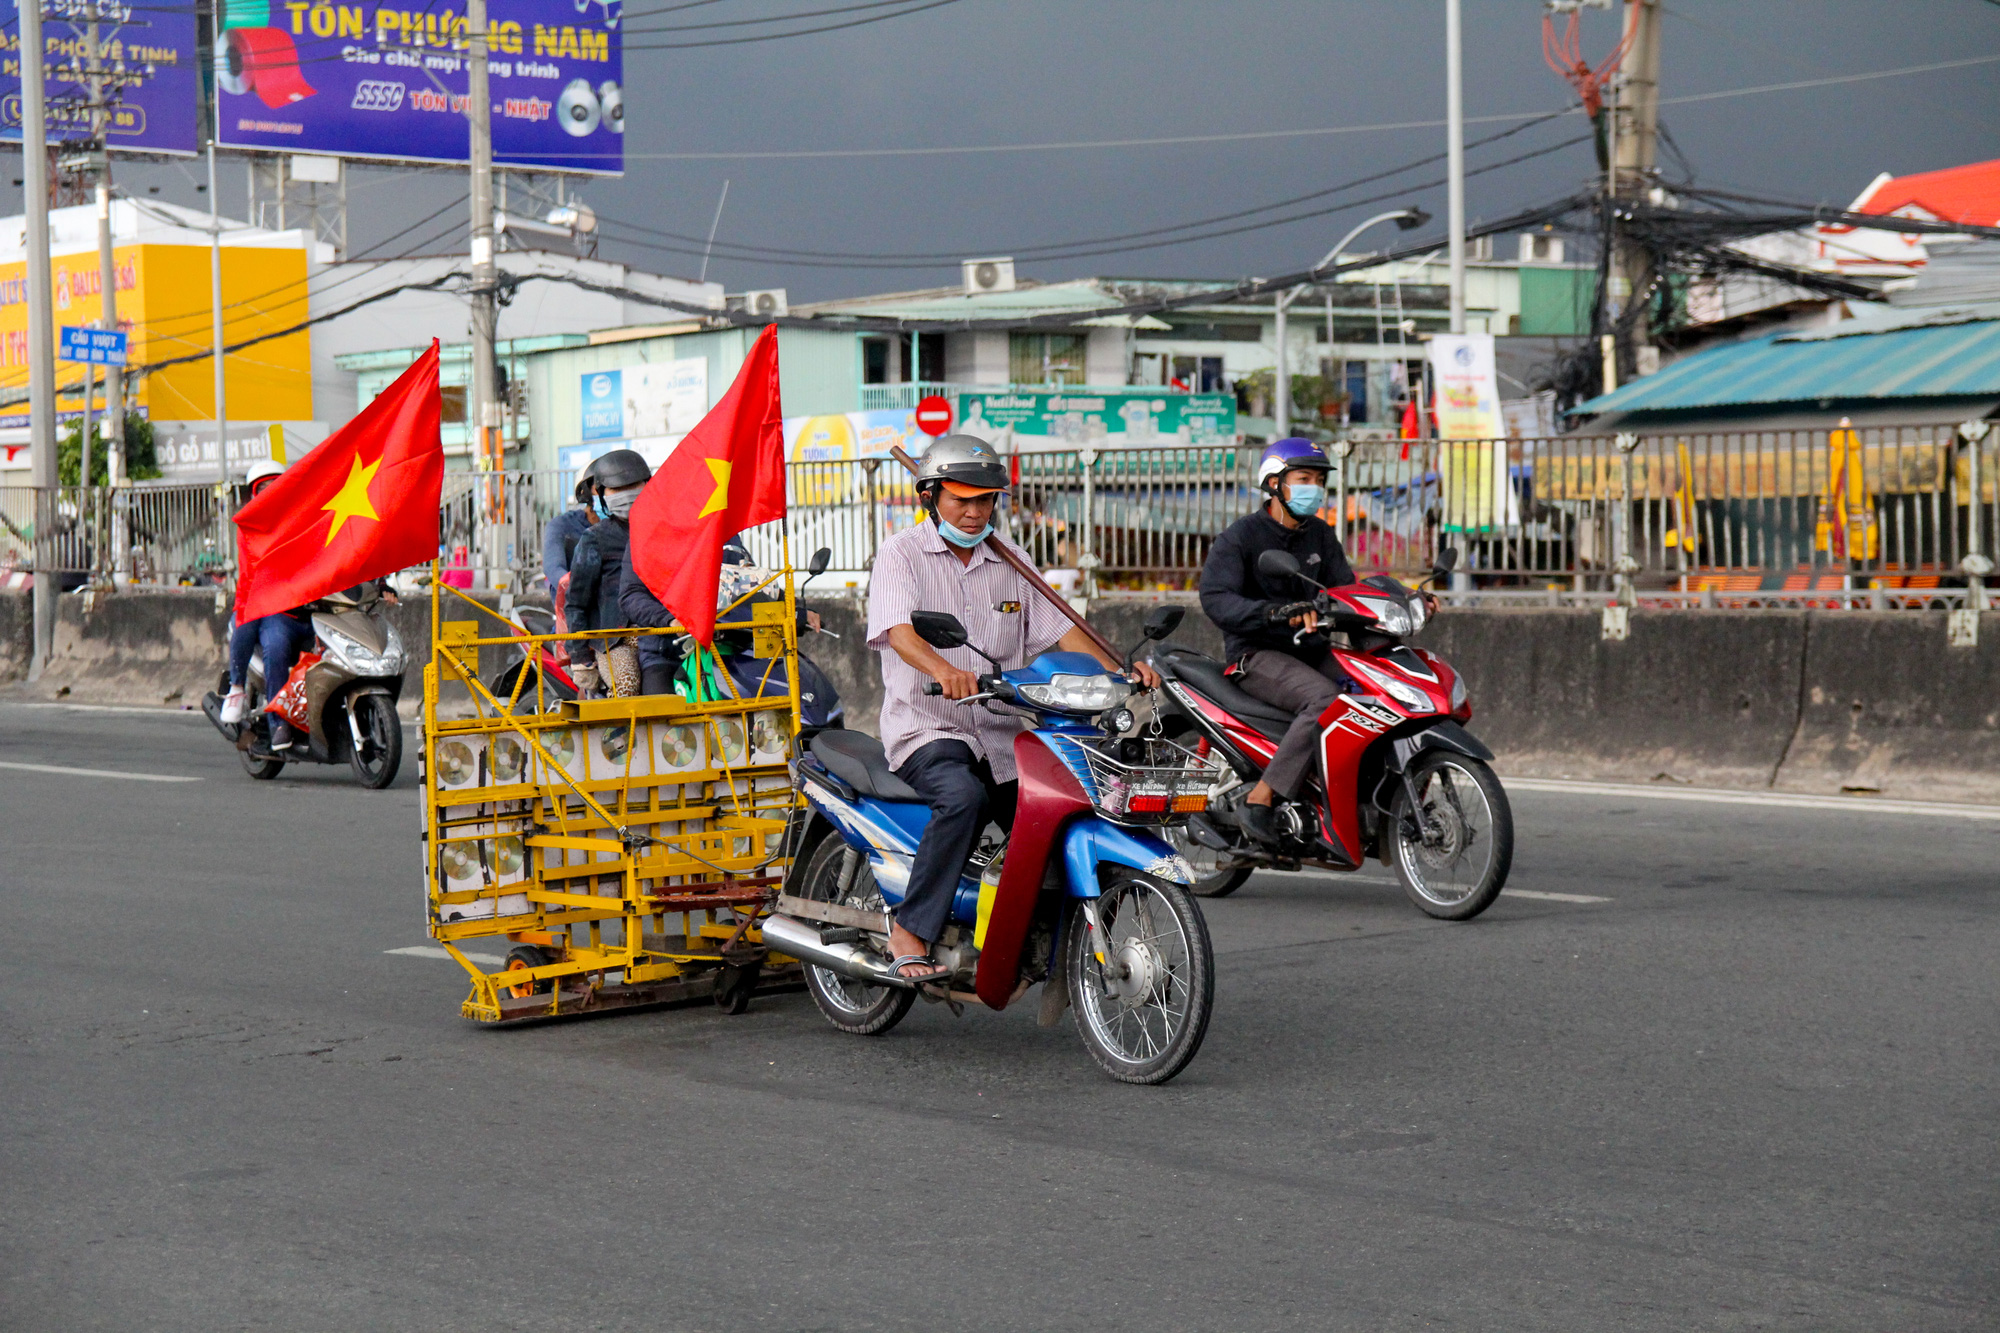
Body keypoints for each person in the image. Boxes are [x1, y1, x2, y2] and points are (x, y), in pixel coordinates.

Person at [866, 434, 1160, 984]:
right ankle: (909, 928)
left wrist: (1121, 672)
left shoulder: (1013, 560)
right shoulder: (900, 553)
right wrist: (943, 671)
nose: (976, 512)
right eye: (962, 500)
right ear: (931, 497)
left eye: (986, 500)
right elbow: (900, 633)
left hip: (1003, 728)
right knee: (962, 798)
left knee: (1068, 805)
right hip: (928, 727)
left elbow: (1063, 632)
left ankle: (1038, 931)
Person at [1197, 438, 1359, 847]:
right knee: (1326, 700)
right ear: (1273, 483)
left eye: (1319, 480)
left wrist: (1404, 599)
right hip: (1257, 654)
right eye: (1303, 478)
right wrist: (1272, 613)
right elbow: (1216, 599)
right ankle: (1261, 796)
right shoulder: (1241, 537)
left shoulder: (1320, 535)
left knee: (1371, 692)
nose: (1314, 489)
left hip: (1312, 648)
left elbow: (1347, 590)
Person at [219, 459, 316, 751]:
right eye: (265, 487)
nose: (271, 492)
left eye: (277, 485)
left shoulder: (302, 519)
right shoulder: (248, 527)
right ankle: (276, 722)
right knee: (275, 645)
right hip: (273, 610)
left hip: (310, 608)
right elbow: (250, 576)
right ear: (254, 493)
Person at [564, 448, 650, 697]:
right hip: (617, 640)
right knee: (626, 686)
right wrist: (580, 658)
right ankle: (623, 737)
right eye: (616, 489)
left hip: (665, 631)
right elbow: (576, 603)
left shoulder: (664, 528)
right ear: (601, 494)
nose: (626, 494)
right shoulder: (595, 539)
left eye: (633, 485)